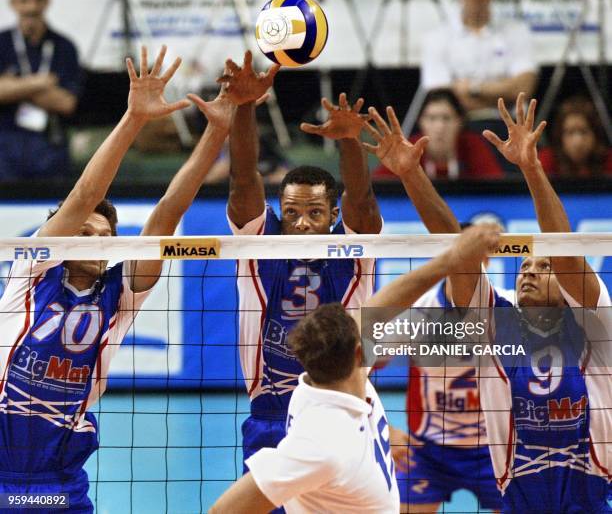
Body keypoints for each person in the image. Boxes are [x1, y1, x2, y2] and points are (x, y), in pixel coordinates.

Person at [0, 45, 234, 510]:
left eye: (103, 235)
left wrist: (218, 132)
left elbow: (168, 212)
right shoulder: (33, 271)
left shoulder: (120, 296)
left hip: (60, 479)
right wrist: (133, 119)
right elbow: (87, 192)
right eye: (82, 231)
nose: (92, 240)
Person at [210, 225, 502, 514]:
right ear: (359, 352)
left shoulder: (334, 380)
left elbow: (385, 304)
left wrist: (452, 260)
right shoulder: (319, 444)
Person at [218, 51, 383, 476]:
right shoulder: (260, 246)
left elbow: (361, 201)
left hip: (342, 413)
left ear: (333, 216)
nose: (302, 223)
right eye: (292, 213)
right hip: (270, 417)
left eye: (314, 213)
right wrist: (244, 106)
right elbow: (242, 180)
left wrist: (348, 138)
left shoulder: (351, 255)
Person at [444, 93, 611, 512]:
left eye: (543, 266)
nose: (528, 271)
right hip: (520, 498)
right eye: (523, 265)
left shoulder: (597, 324)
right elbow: (456, 252)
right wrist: (410, 176)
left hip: (587, 496)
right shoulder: (497, 325)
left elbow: (566, 253)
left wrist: (532, 168)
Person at [364, 106, 504, 512]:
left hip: (493, 448)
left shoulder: (503, 308)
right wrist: (384, 426)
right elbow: (349, 365)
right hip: (428, 451)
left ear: (486, 261)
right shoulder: (418, 314)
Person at [420, 0, 537, 159]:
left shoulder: (516, 31)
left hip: (510, 126)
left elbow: (524, 88)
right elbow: (441, 97)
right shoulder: (437, 37)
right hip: (460, 128)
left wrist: (472, 89)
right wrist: (504, 92)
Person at [0, 0, 82, 180]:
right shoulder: (2, 43)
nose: (31, 7)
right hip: (6, 145)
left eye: (37, 0)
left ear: (47, 2)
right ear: (13, 3)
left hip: (49, 146)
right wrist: (40, 83)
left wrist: (14, 86)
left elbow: (66, 103)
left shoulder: (64, 47)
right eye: (24, 0)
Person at [373, 88, 503, 180]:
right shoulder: (409, 148)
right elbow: (377, 187)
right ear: (421, 122)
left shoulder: (473, 145)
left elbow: (497, 188)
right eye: (432, 118)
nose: (439, 127)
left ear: (460, 122)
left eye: (446, 118)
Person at [539, 96, 612, 177]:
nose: (577, 142)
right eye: (570, 133)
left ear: (596, 134)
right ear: (560, 136)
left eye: (584, 132)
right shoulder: (546, 160)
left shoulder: (609, 160)